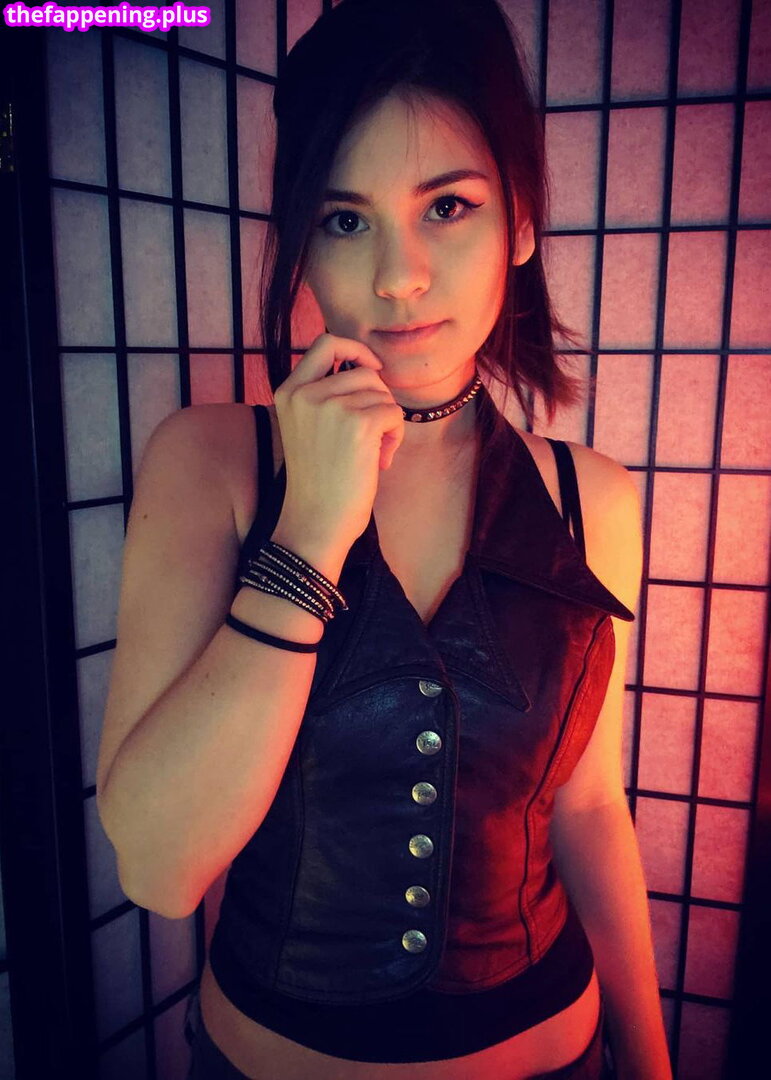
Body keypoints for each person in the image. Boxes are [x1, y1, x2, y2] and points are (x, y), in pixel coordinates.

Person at [96, 1, 673, 1077]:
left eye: (446, 206)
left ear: (521, 221)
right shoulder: (213, 463)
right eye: (344, 219)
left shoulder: (590, 498)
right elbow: (160, 871)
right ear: (300, 240)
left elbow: (590, 805)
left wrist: (650, 1059)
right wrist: (313, 528)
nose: (397, 278)